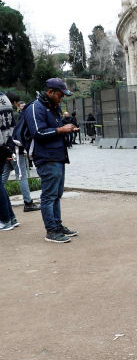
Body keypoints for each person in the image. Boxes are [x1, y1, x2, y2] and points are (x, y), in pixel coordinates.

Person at [25, 78, 79, 243]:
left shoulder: (52, 107)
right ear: (50, 92)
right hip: (46, 157)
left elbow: (54, 128)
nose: (61, 98)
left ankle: (57, 225)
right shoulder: (35, 108)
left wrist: (66, 126)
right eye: (60, 95)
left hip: (58, 156)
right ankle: (51, 231)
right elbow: (38, 133)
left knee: (56, 194)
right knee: (49, 196)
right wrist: (61, 129)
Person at [3, 92, 40, 212]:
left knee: (3, 178)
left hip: (4, 149)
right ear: (13, 102)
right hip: (15, 149)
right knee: (22, 176)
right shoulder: (14, 114)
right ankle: (28, 203)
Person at [0, 92, 21, 231]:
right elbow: (12, 125)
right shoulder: (4, 99)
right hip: (5, 145)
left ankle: (5, 220)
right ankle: (11, 218)